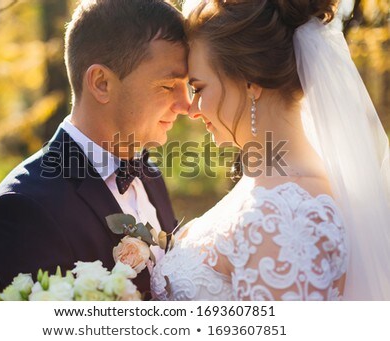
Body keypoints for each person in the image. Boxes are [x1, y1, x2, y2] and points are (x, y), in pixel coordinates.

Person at [151, 0, 390, 300]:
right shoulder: (269, 186)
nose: (193, 109)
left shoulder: (284, 215)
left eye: (199, 88)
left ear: (251, 83)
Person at [0, 0, 191, 300]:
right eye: (168, 86)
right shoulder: (22, 210)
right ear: (101, 83)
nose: (186, 105)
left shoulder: (149, 173)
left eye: (188, 86)